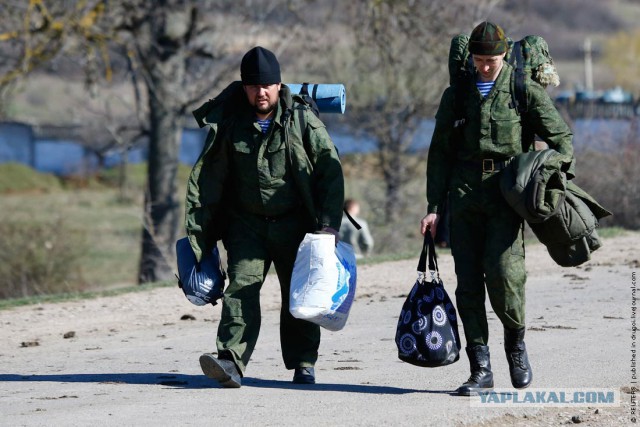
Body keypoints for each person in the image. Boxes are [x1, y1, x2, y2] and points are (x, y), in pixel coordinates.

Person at [420, 22, 574, 396]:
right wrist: (434, 206)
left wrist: (545, 176)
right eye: (479, 60)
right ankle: (480, 369)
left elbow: (562, 140)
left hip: (507, 195)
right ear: (470, 58)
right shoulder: (456, 95)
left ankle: (516, 347)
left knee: (506, 275)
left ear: (505, 55)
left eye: (491, 60)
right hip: (464, 194)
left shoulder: (522, 90)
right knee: (468, 283)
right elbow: (439, 152)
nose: (485, 66)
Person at [185, 46, 345, 388]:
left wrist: (328, 225)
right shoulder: (230, 123)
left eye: (268, 85)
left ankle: (304, 363)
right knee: (241, 286)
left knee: (298, 295)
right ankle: (229, 360)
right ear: (244, 88)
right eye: (254, 86)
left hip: (295, 223)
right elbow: (211, 180)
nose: (262, 92)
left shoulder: (301, 120)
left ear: (279, 85)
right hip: (246, 225)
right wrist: (205, 234)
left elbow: (330, 173)